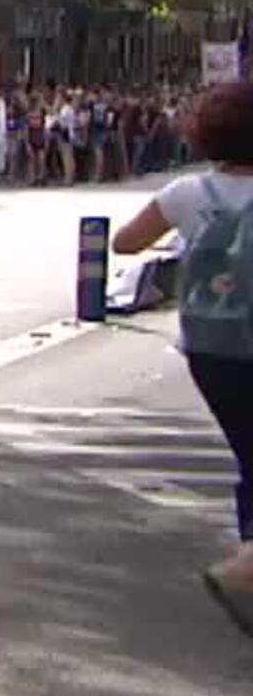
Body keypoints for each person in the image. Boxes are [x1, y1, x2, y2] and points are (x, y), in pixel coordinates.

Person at [112, 83, 253, 635]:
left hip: (210, 346)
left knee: (248, 449)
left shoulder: (187, 192)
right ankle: (245, 567)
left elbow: (124, 242)